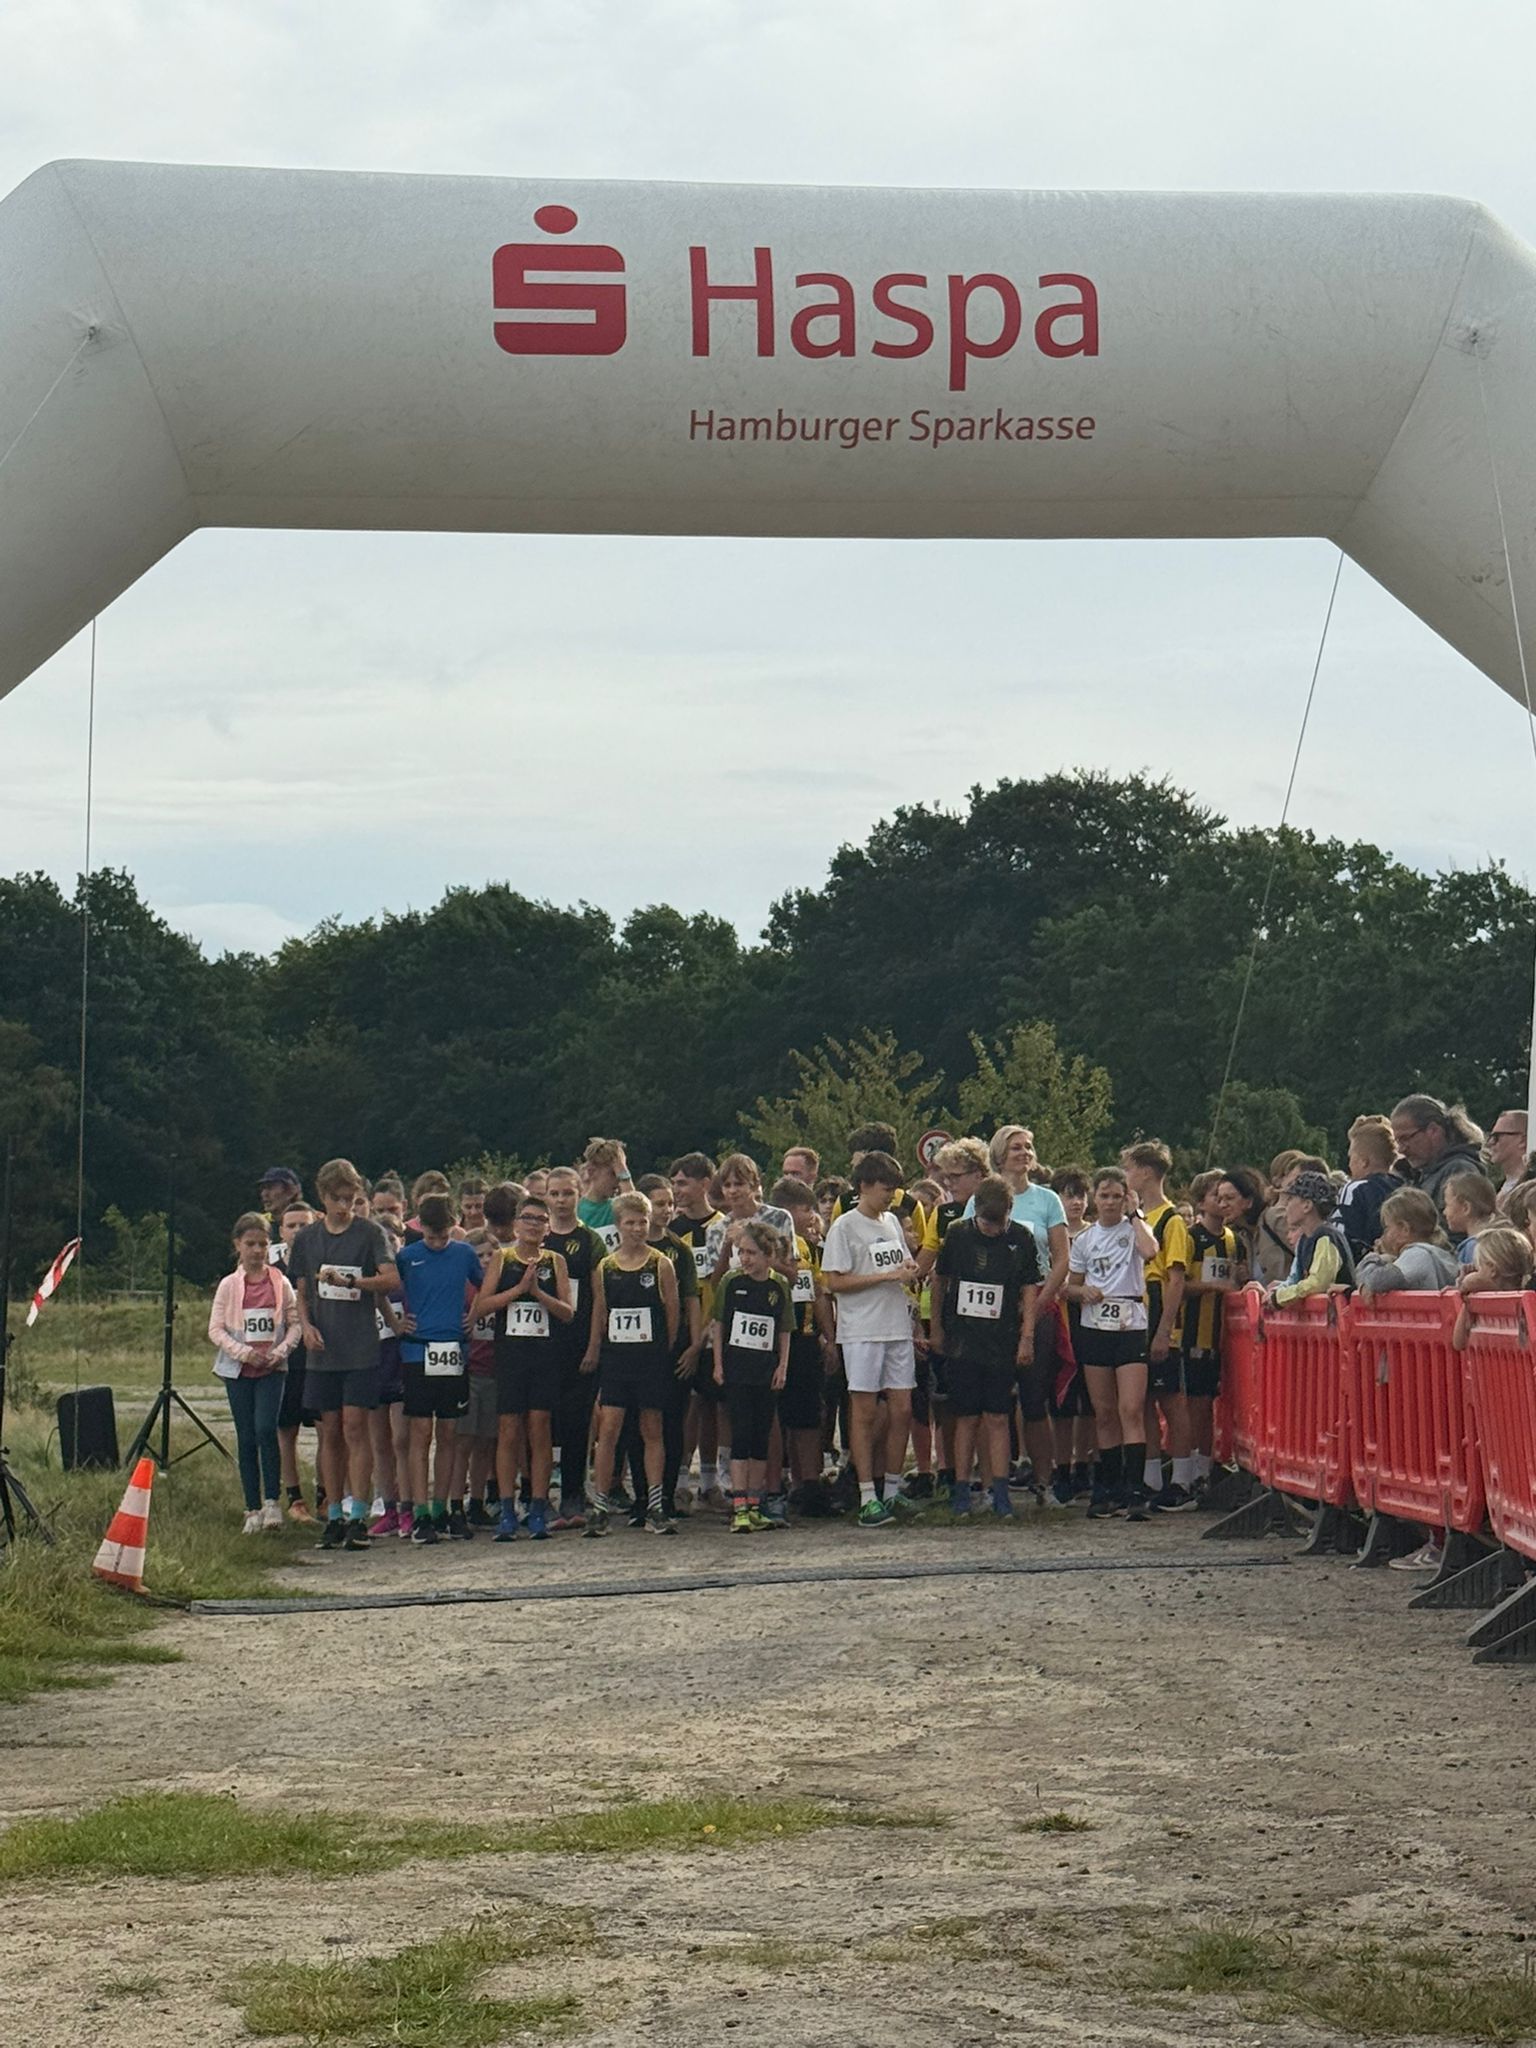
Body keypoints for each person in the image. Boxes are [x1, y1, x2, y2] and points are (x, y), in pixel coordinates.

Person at [287, 1158, 398, 1552]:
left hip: (360, 1346)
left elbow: (390, 1279)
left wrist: (353, 1280)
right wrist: (305, 1326)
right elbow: (302, 1292)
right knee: (329, 1430)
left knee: (355, 1427)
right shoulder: (307, 1238)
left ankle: (358, 1515)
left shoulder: (370, 1233)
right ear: (322, 1196)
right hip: (323, 1348)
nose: (344, 1206)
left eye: (351, 1198)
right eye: (337, 1198)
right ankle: (333, 1513)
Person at [966, 1126, 1070, 1499]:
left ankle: (1044, 1481)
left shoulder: (1047, 1200)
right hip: (991, 1307)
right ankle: (989, 1483)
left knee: (1034, 1398)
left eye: (1028, 1147)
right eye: (1015, 1148)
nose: (1024, 1153)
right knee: (988, 1401)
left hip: (1038, 1301)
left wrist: (1040, 1303)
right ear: (999, 1155)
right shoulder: (980, 1198)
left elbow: (1061, 1257)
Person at [930, 1173, 1041, 1519]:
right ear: (975, 1212)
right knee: (966, 1417)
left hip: (1001, 1340)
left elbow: (1029, 1288)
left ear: (1010, 1211)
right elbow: (939, 1281)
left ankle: (1001, 1492)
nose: (993, 1230)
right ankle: (963, 1490)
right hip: (963, 1340)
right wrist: (937, 1328)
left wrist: (1027, 1336)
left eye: (999, 1223)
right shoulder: (958, 1235)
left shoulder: (1021, 1238)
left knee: (997, 1416)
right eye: (987, 1223)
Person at [819, 1149, 920, 1530]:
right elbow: (834, 1281)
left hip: (896, 1326)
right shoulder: (845, 1226)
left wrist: (906, 1270)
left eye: (894, 1189)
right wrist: (887, 1276)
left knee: (902, 1409)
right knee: (863, 1413)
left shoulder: (892, 1221)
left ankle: (891, 1488)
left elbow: (897, 1265)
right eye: (885, 1188)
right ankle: (866, 1495)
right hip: (862, 1330)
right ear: (863, 1186)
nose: (891, 1196)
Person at [474, 1188, 572, 1541]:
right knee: (509, 1430)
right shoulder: (503, 1258)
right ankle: (506, 1508)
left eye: (540, 1220)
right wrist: (518, 1291)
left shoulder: (555, 1261)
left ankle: (538, 1507)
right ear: (516, 1224)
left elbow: (568, 1312)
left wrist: (538, 1293)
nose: (533, 1225)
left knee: (540, 1428)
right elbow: (481, 1307)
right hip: (510, 1355)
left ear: (548, 1227)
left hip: (544, 1355)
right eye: (527, 1218)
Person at [582, 1191, 681, 1535]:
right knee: (608, 1430)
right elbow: (600, 1312)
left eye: (642, 1222)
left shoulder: (660, 1264)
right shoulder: (606, 1267)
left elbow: (672, 1313)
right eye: (630, 1223)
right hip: (616, 1360)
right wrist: (595, 1349)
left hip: (650, 1359)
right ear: (618, 1225)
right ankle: (600, 1505)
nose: (638, 1228)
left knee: (652, 1428)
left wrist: (662, 1350)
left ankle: (655, 1505)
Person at [1067, 1168, 1159, 1520]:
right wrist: (1082, 1292)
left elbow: (1150, 1251)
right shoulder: (1085, 1239)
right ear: (1094, 1198)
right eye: (1104, 1196)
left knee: (1130, 1408)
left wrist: (1135, 1215)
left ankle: (1136, 1489)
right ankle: (1109, 1486)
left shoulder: (1135, 1229)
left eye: (1116, 1196)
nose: (1109, 1202)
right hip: (1096, 1326)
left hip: (1130, 1323)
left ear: (1125, 1198)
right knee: (1103, 1410)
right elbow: (1070, 1286)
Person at [394, 1191, 484, 1544]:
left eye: (443, 1236)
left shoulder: (463, 1253)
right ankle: (420, 1514)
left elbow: (486, 1284)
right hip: (418, 1351)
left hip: (453, 1350)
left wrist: (474, 1315)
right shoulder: (407, 1256)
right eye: (431, 1237)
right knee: (420, 1434)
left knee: (449, 1433)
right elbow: (383, 1288)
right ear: (421, 1229)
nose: (437, 1243)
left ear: (454, 1226)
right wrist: (395, 1321)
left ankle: (441, 1508)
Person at [208, 1213, 302, 1532]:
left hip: (272, 1369)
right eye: (250, 1244)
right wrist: (244, 1353)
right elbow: (216, 1329)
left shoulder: (280, 1282)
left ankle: (272, 1501)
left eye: (262, 1244)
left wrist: (280, 1352)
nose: (257, 1251)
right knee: (246, 1435)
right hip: (238, 1370)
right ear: (238, 1245)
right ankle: (251, 1507)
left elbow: (294, 1324)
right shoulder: (228, 1286)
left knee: (266, 1429)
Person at [1121, 1141, 1195, 1511]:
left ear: (1147, 1173)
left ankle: (1183, 1479)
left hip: (1159, 1320)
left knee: (1171, 1401)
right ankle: (1151, 1478)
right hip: (1134, 1318)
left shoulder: (1171, 1221)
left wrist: (1165, 1329)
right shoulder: (1135, 1219)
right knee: (1143, 1400)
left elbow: (1176, 1278)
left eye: (1129, 1169)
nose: (1126, 1176)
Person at [712, 1220, 794, 1532]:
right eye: (742, 1252)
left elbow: (784, 1329)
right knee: (741, 1435)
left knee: (761, 1436)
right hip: (737, 1369)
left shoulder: (778, 1286)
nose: (745, 1259)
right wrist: (718, 1364)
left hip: (766, 1370)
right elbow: (719, 1324)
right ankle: (739, 1506)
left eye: (751, 1253)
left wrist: (782, 1366)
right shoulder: (731, 1282)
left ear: (768, 1254)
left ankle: (755, 1504)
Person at [544, 1167, 610, 1529]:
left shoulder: (590, 1240)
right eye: (554, 1194)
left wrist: (594, 1344)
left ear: (579, 1193)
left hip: (579, 1342)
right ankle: (537, 1496)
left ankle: (573, 1494)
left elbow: (600, 1297)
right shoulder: (538, 1238)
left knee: (577, 1421)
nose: (561, 1200)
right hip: (540, 1345)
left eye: (567, 1193)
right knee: (540, 1422)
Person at [637, 1173, 702, 1522]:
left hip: (674, 1348)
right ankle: (642, 1497)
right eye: (659, 1204)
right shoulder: (627, 1250)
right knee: (638, 1424)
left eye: (669, 1204)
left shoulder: (679, 1249)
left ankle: (668, 1494)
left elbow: (692, 1299)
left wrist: (693, 1346)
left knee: (673, 1422)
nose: (666, 1210)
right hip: (636, 1349)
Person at [768, 1175, 834, 1506]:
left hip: (806, 1338)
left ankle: (808, 1482)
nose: (812, 1216)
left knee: (808, 1412)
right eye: (807, 1210)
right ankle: (773, 1484)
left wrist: (830, 1337)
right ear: (788, 1211)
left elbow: (818, 1292)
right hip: (775, 1339)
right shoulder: (767, 1245)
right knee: (776, 1415)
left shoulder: (807, 1246)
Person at [668, 1152, 724, 1508]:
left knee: (714, 1406)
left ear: (705, 1183)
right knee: (686, 1406)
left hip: (716, 1329)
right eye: (674, 1183)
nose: (677, 1190)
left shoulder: (723, 1226)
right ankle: (679, 1481)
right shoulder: (672, 1232)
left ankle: (711, 1480)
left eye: (683, 1183)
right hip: (684, 1333)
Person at [1180, 1171, 1242, 1494]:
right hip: (1194, 1334)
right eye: (1215, 1195)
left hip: (1225, 1336)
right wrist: (1212, 1286)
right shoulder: (1191, 1238)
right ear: (1201, 1202)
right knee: (1196, 1405)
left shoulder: (1233, 1240)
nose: (1222, 1201)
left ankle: (1205, 1468)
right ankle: (1191, 1471)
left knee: (1211, 1404)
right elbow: (1178, 1285)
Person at [1046, 1165, 1096, 1504]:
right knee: (1061, 1402)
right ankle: (1060, 1466)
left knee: (1090, 1402)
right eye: (1069, 1196)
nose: (1076, 1202)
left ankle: (1084, 1463)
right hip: (1058, 1320)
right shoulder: (1052, 1235)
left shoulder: (1095, 1234)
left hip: (1089, 1321)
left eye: (1081, 1196)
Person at [272, 1198, 318, 1522]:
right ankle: (294, 1498)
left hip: (320, 1357)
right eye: (292, 1225)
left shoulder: (325, 1266)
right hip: (286, 1359)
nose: (298, 1231)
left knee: (329, 1429)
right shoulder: (273, 1271)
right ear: (281, 1231)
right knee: (286, 1431)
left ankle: (327, 1494)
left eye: (304, 1225)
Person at [1249, 1170, 1356, 1306]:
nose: (1285, 1206)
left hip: (1339, 1315)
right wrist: (1277, 1290)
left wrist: (1280, 1297)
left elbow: (1318, 1283)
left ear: (1307, 1205)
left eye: (1290, 1199)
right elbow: (1295, 1279)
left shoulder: (1327, 1237)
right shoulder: (1305, 1239)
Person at [1389, 1095, 1486, 1231]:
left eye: (1406, 1138)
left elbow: (1460, 1232)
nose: (1401, 1149)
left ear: (1433, 1130)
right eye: (1398, 1141)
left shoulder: (1460, 1171)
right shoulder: (1413, 1175)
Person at [1355, 1188, 1458, 1294]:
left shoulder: (1417, 1253)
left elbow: (1375, 1281)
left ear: (1404, 1229)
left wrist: (1374, 1259)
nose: (1382, 1236)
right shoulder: (1438, 1253)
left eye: (1387, 1228)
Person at [1335, 1117, 1402, 1260]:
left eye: (1351, 1157)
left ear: (1363, 1162)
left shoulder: (1354, 1189)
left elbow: (1341, 1240)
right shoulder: (1405, 1187)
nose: (1349, 1164)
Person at [578, 1136, 635, 1247]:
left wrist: (624, 1174)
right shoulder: (577, 1209)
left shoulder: (617, 1207)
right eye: (613, 1173)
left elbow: (634, 1209)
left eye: (620, 1174)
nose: (618, 1180)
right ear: (591, 1172)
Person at [1443, 1171, 1499, 1267]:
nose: (1444, 1212)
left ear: (1466, 1208)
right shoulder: (1499, 1239)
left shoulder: (1473, 1248)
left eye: (1447, 1205)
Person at [1486, 1110, 1532, 1199]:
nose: (1490, 1143)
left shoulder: (1531, 1192)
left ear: (1522, 1141)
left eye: (1497, 1137)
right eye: (1490, 1137)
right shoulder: (1494, 1190)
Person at [259, 1166, 303, 1231]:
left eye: (270, 1188)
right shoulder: (259, 1224)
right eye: (262, 1188)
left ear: (290, 1192)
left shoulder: (312, 1221)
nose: (264, 1194)